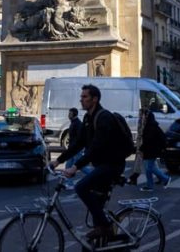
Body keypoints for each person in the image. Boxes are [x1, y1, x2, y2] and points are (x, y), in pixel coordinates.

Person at [51, 84, 130, 242]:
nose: (81, 100)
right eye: (81, 97)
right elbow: (79, 143)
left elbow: (95, 147)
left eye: (85, 97)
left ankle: (106, 227)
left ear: (95, 99)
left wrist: (75, 166)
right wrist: (58, 160)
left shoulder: (104, 117)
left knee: (80, 187)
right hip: (101, 166)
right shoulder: (88, 118)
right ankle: (103, 233)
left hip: (112, 165)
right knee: (96, 212)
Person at [138, 109, 170, 192]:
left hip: (151, 151)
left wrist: (141, 149)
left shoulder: (150, 127)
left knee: (149, 168)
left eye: (143, 116)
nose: (142, 118)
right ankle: (151, 185)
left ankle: (165, 179)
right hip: (151, 150)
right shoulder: (151, 125)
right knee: (150, 168)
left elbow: (148, 140)